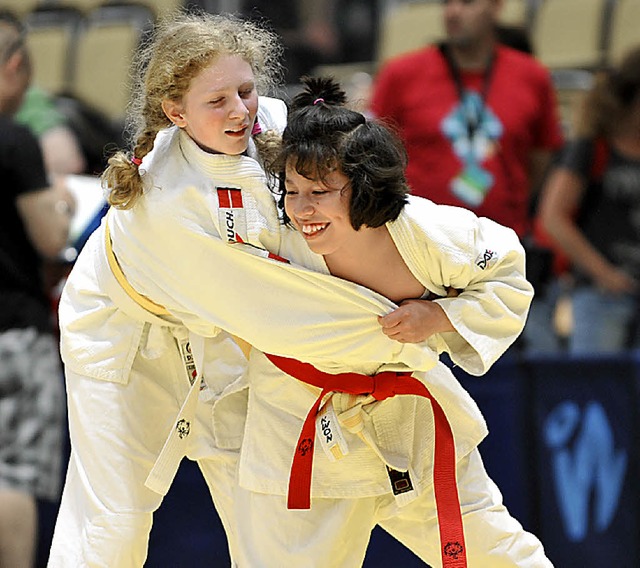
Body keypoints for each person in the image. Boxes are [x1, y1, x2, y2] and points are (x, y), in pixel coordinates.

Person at [47, 10, 446, 567]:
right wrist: (409, 324)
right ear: (175, 112)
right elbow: (280, 307)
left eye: (245, 89)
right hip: (125, 337)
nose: (239, 110)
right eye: (217, 102)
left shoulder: (276, 126)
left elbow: (360, 199)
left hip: (216, 332)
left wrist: (442, 267)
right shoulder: (169, 202)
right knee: (114, 522)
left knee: (265, 508)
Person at [227, 77, 552, 567]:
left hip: (409, 415)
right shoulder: (275, 235)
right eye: (292, 191)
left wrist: (440, 315)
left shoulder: (426, 231)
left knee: (497, 553)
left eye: (320, 191)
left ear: (364, 185)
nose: (303, 209)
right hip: (301, 419)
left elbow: (507, 273)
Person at [369, 0, 564, 353]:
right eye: (447, 3)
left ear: (496, 7)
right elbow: (373, 156)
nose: (453, 12)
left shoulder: (531, 76)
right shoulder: (401, 74)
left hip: (500, 251)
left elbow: (541, 159)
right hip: (419, 254)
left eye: (467, 2)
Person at [0, 11, 75, 568]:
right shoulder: (14, 139)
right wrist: (61, 204)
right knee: (10, 475)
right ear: (18, 65)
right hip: (12, 332)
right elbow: (51, 240)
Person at [538, 45, 640, 354]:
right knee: (597, 393)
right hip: (600, 296)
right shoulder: (594, 147)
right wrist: (604, 273)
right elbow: (553, 216)